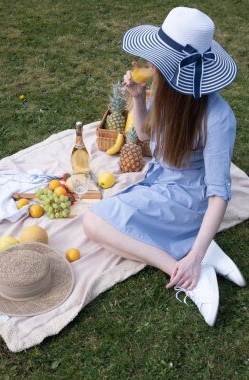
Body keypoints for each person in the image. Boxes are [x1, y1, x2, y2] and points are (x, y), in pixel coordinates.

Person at [83, 7, 246, 326]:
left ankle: (187, 268)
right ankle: (197, 251)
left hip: (190, 200)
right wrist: (139, 99)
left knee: (92, 224)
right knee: (101, 218)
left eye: (158, 58)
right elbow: (145, 137)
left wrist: (192, 260)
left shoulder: (217, 117)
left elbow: (219, 195)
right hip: (159, 181)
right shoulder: (166, 92)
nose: (150, 64)